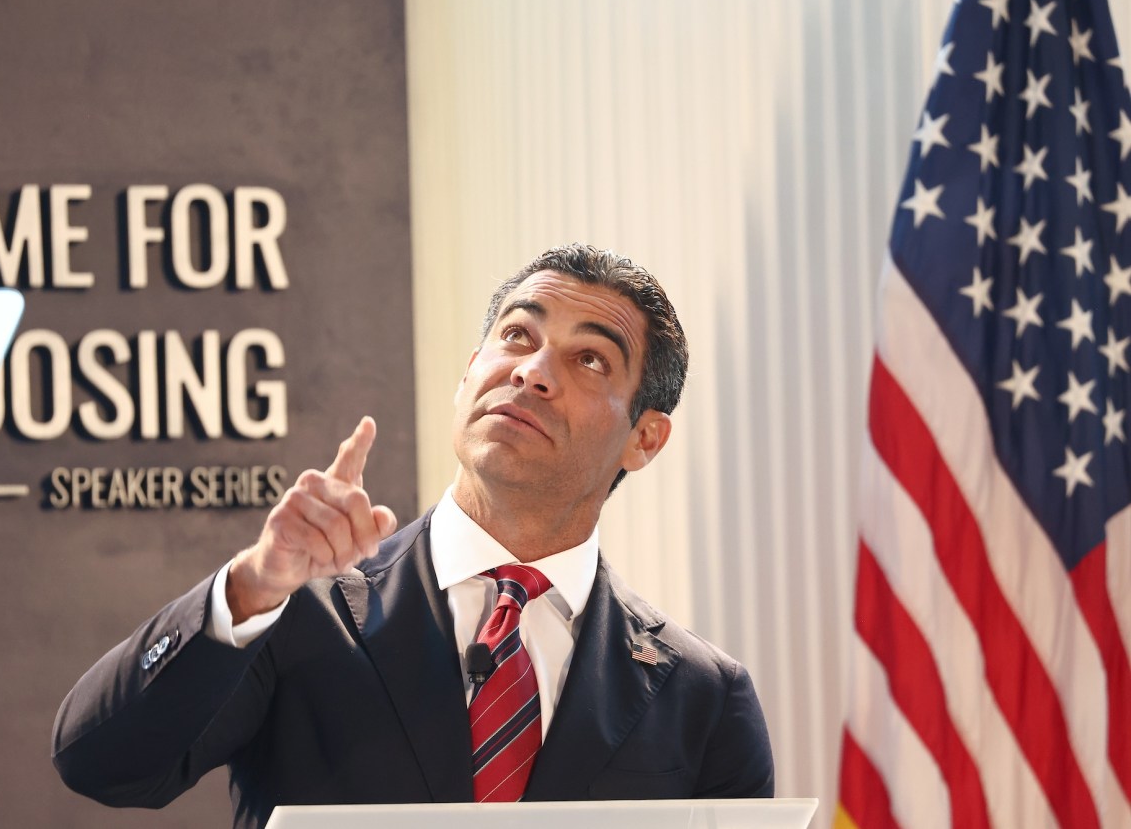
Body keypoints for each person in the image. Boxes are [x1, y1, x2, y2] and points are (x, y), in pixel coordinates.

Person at [52, 244, 774, 829]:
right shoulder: (297, 609)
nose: (531, 371)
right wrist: (249, 589)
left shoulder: (704, 696)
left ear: (645, 439)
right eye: (517, 335)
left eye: (590, 359)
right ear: (469, 377)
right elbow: (102, 764)